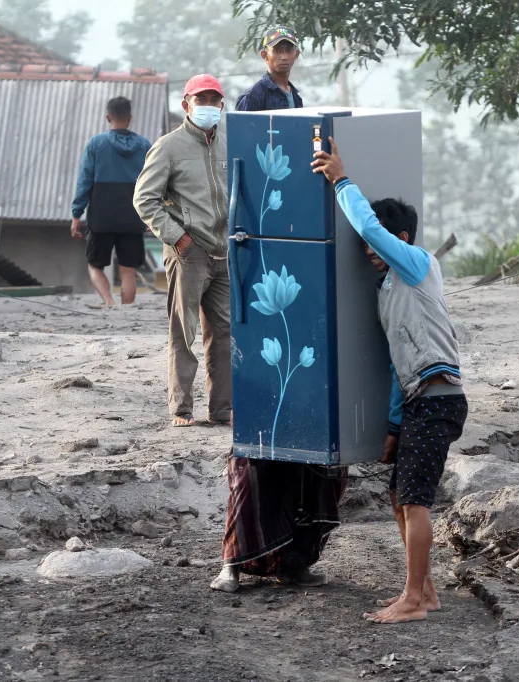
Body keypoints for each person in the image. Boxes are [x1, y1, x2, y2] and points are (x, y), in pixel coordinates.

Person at [312, 138, 468, 624]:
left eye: (377, 240)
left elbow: (367, 225)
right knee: (402, 500)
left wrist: (340, 178)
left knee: (415, 500)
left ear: (400, 237)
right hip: (423, 401)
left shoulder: (417, 263)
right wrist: (395, 427)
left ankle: (414, 601)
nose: (367, 248)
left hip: (439, 398)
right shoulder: (391, 290)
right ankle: (426, 591)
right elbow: (399, 365)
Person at [212, 31, 345, 594]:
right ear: (265, 57)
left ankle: (292, 557)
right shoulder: (253, 100)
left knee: (307, 436)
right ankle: (239, 558)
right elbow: (251, 161)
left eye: (292, 49)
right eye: (278, 50)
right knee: (259, 441)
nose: (286, 56)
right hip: (265, 251)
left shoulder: (300, 101)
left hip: (295, 257)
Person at [133, 75, 231, 428]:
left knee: (223, 334)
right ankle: (182, 408)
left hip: (224, 253)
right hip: (187, 253)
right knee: (184, 332)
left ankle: (222, 410)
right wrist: (178, 237)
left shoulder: (228, 144)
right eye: (200, 98)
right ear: (186, 104)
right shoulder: (168, 146)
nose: (208, 105)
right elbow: (144, 199)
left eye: (213, 99)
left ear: (222, 104)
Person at [71, 96, 152, 307]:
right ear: (130, 118)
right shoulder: (145, 145)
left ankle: (109, 303)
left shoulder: (96, 143)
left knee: (94, 265)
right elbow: (154, 182)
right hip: (133, 216)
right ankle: (126, 310)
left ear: (108, 117)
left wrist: (76, 214)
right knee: (128, 271)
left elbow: (84, 180)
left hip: (102, 216)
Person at [235, 26, 304, 112]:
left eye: (289, 50)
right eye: (277, 50)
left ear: (296, 54)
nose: (284, 57)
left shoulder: (296, 96)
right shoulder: (253, 96)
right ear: (265, 55)